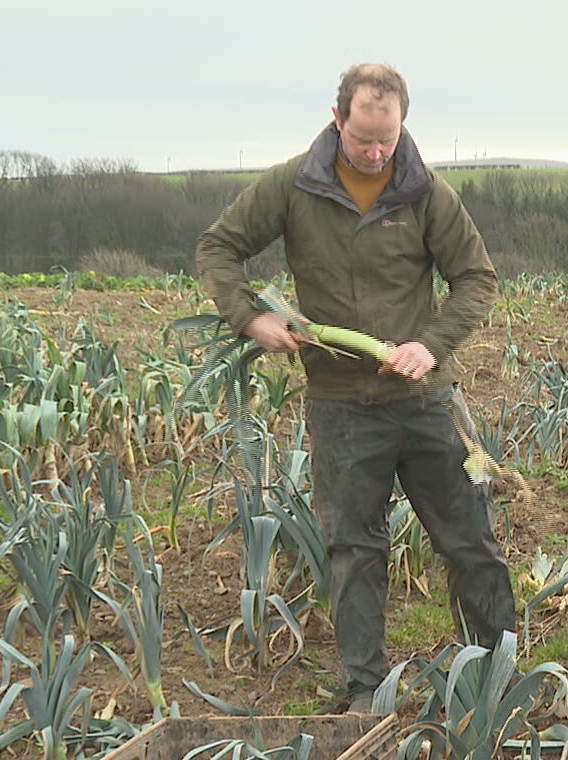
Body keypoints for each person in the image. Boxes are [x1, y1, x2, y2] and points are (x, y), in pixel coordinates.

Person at [195, 62, 513, 711]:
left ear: (401, 126)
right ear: (338, 119)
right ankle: (366, 691)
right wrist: (253, 317)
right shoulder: (292, 186)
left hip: (425, 403)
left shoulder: (425, 193)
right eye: (363, 138)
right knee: (354, 552)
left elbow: (476, 277)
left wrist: (432, 343)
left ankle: (494, 680)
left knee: (470, 542)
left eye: (387, 141)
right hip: (340, 405)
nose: (374, 153)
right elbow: (219, 248)